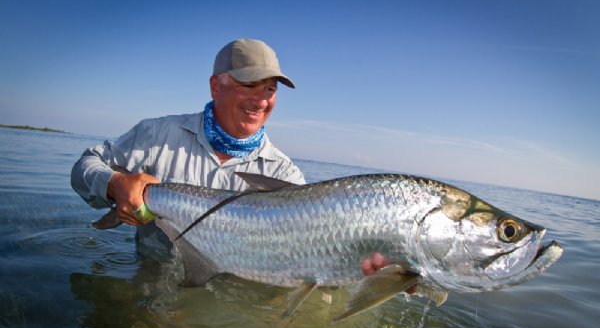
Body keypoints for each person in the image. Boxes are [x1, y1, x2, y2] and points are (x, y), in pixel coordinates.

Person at [71, 37, 384, 273]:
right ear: (215, 86)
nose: (261, 101)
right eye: (249, 84)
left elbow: (306, 261)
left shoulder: (287, 177)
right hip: (151, 278)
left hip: (231, 298)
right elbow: (85, 165)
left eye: (270, 90)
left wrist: (357, 266)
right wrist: (114, 183)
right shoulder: (157, 135)